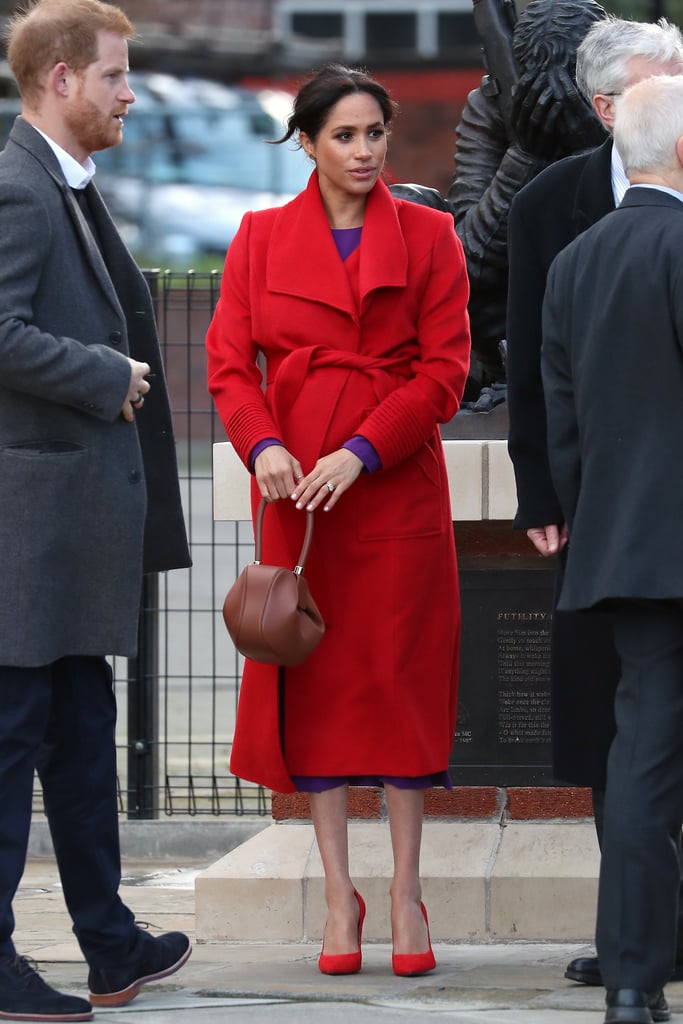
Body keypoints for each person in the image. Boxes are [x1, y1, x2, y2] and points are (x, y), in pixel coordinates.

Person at [206, 64, 470, 977]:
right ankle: (336, 898)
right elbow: (228, 364)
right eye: (344, 136)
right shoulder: (258, 236)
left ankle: (403, 892)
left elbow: (444, 373)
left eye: (374, 134)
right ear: (308, 144)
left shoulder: (433, 236)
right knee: (309, 684)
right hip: (293, 501)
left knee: (397, 681)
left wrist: (360, 450)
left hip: (389, 484)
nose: (363, 152)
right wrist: (260, 444)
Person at [0, 1, 192, 1021]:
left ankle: (110, 946)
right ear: (60, 80)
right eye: (115, 76)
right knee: (13, 745)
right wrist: (100, 372)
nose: (128, 93)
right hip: (29, 540)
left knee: (81, 738)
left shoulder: (62, 183)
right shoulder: (19, 188)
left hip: (65, 539)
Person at [506, 16, 683, 989]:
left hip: (622, 544)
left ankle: (630, 976)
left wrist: (597, 511)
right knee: (636, 763)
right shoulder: (556, 213)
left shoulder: (582, 262)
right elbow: (537, 397)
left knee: (641, 761)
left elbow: (557, 390)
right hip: (635, 540)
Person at [448, 0, 607, 397]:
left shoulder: (633, 104)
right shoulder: (493, 105)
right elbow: (464, 264)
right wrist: (524, 156)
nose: (555, 102)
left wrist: (594, 146)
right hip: (508, 322)